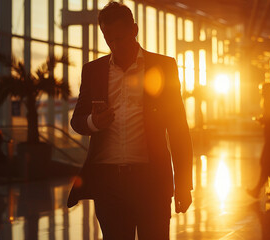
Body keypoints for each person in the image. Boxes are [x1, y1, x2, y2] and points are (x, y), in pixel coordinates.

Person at [67, 2, 193, 239]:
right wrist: (94, 122)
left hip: (151, 181)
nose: (115, 45)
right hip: (108, 183)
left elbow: (178, 129)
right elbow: (77, 121)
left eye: (120, 38)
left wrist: (184, 184)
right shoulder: (93, 70)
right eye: (108, 39)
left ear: (134, 30)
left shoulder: (163, 67)